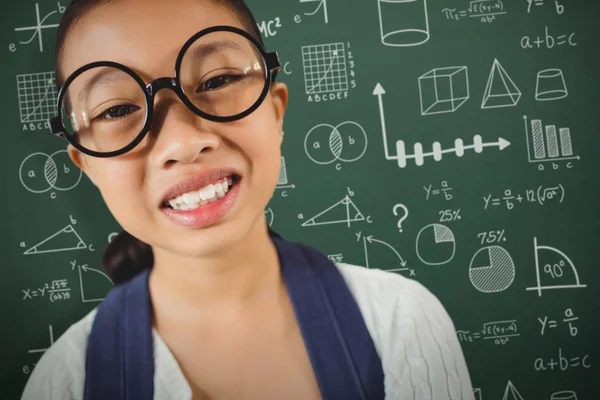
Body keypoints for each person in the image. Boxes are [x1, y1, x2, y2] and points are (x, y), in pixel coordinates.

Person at [21, 0, 475, 399]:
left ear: (275, 110)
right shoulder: (64, 383)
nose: (182, 141)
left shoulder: (400, 323)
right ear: (87, 165)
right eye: (117, 110)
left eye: (217, 80)